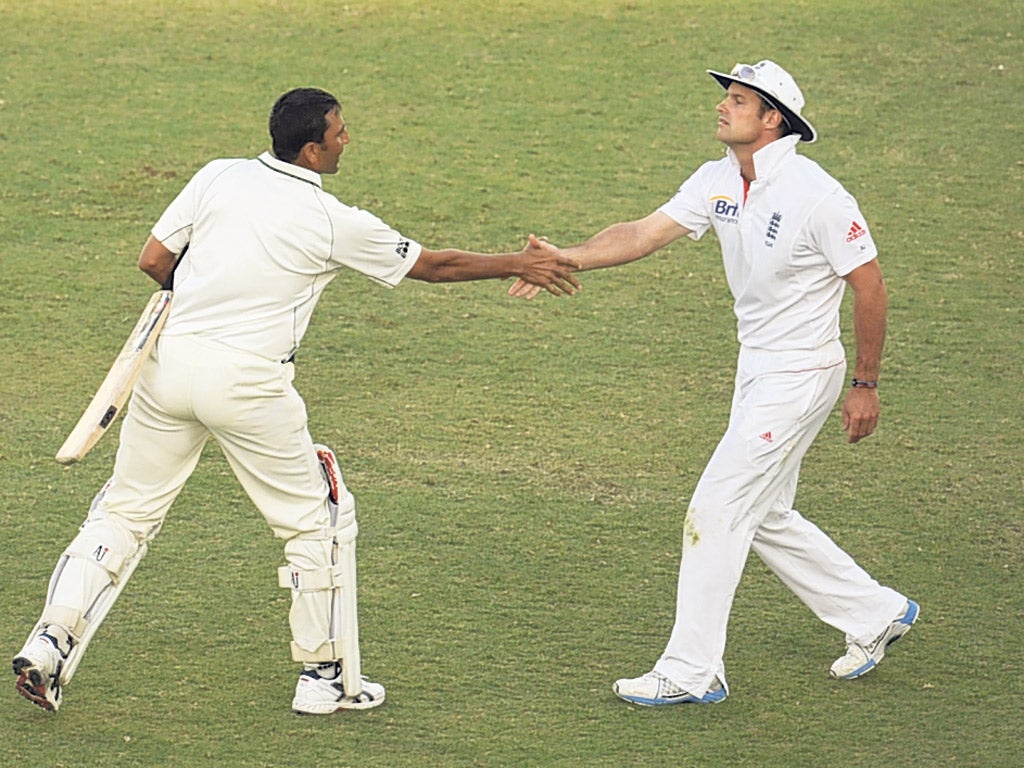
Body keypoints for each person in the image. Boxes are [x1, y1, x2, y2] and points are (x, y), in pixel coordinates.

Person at [13, 87, 580, 715]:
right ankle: (323, 677)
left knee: (122, 514)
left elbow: (154, 259)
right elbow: (432, 266)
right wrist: (517, 263)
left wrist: (206, 293)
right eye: (339, 132)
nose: (346, 139)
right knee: (317, 523)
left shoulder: (217, 176)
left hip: (167, 370)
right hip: (250, 385)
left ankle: (49, 642)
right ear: (311, 149)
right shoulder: (333, 221)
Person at [510, 60, 918, 705]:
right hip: (756, 367)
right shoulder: (719, 180)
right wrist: (569, 256)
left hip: (804, 372)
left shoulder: (819, 195)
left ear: (772, 118)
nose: (722, 108)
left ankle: (692, 669)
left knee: (716, 509)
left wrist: (865, 383)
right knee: (765, 511)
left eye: (736, 100)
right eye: (725, 97)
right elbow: (644, 232)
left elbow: (869, 286)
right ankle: (873, 612)